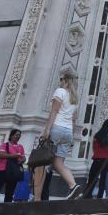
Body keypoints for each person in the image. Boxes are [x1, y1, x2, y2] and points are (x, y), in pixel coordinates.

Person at [37, 69, 82, 200]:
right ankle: (73, 186)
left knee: (43, 163)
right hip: (67, 133)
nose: (60, 81)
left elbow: (54, 112)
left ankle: (37, 198)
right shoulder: (75, 98)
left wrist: (46, 130)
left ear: (66, 81)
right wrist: (72, 137)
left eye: (62, 79)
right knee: (58, 163)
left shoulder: (60, 92)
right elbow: (74, 119)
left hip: (57, 128)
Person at [0, 129, 25, 204]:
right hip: (2, 170)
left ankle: (7, 208)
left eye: (19, 135)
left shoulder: (20, 147)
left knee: (10, 191)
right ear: (11, 135)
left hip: (14, 171)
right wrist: (14, 156)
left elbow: (23, 157)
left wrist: (22, 160)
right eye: (16, 135)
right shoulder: (4, 145)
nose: (18, 136)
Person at [82, 120, 108, 199]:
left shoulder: (96, 135)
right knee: (103, 180)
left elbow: (93, 148)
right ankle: (100, 196)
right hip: (106, 161)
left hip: (96, 159)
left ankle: (87, 195)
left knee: (92, 179)